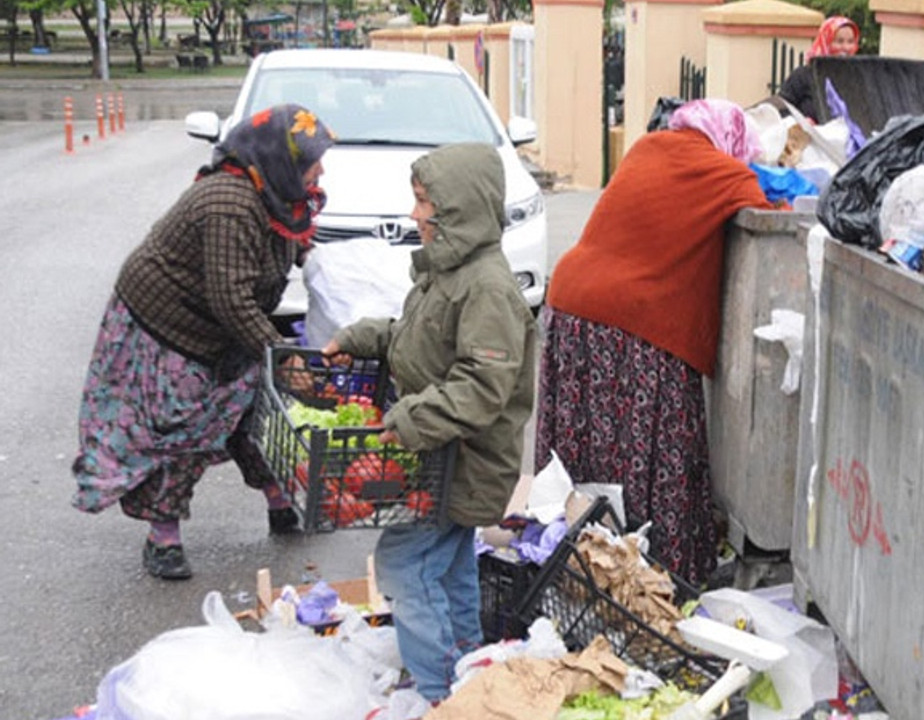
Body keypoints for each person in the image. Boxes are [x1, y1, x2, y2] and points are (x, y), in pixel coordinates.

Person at [72, 104, 334, 581]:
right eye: (311, 161)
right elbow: (230, 298)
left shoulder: (279, 196)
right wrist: (281, 354)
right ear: (280, 161)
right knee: (181, 428)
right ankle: (163, 539)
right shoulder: (228, 203)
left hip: (222, 323)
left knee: (258, 409)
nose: (319, 171)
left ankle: (281, 504)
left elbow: (282, 249)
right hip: (169, 325)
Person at [321, 143, 537, 704]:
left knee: (407, 563)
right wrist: (365, 336)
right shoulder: (449, 272)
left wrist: (411, 418)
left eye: (424, 203)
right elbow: (418, 341)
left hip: (461, 460)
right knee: (448, 567)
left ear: (460, 211)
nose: (415, 215)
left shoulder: (487, 287)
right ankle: (464, 674)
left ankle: (440, 693)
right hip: (439, 456)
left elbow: (482, 385)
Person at [534, 99, 772, 587]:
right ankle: (657, 578)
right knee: (657, 452)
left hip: (572, 306)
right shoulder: (719, 171)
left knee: (582, 457)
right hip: (633, 323)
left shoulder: (647, 148)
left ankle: (573, 568)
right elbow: (768, 208)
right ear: (729, 139)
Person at [778, 16, 860, 122]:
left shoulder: (856, 78)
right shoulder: (804, 76)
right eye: (839, 41)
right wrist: (801, 122)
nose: (846, 47)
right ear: (826, 41)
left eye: (850, 42)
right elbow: (780, 108)